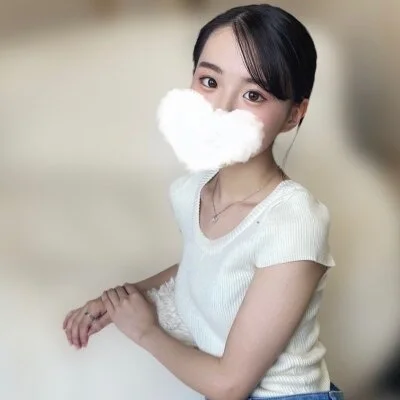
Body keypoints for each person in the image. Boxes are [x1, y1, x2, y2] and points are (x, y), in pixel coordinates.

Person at [63, 4, 344, 400]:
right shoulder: (191, 192)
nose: (221, 109)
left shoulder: (294, 221)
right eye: (209, 81)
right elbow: (206, 266)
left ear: (294, 114)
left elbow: (230, 385)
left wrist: (145, 330)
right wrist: (119, 300)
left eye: (253, 94)